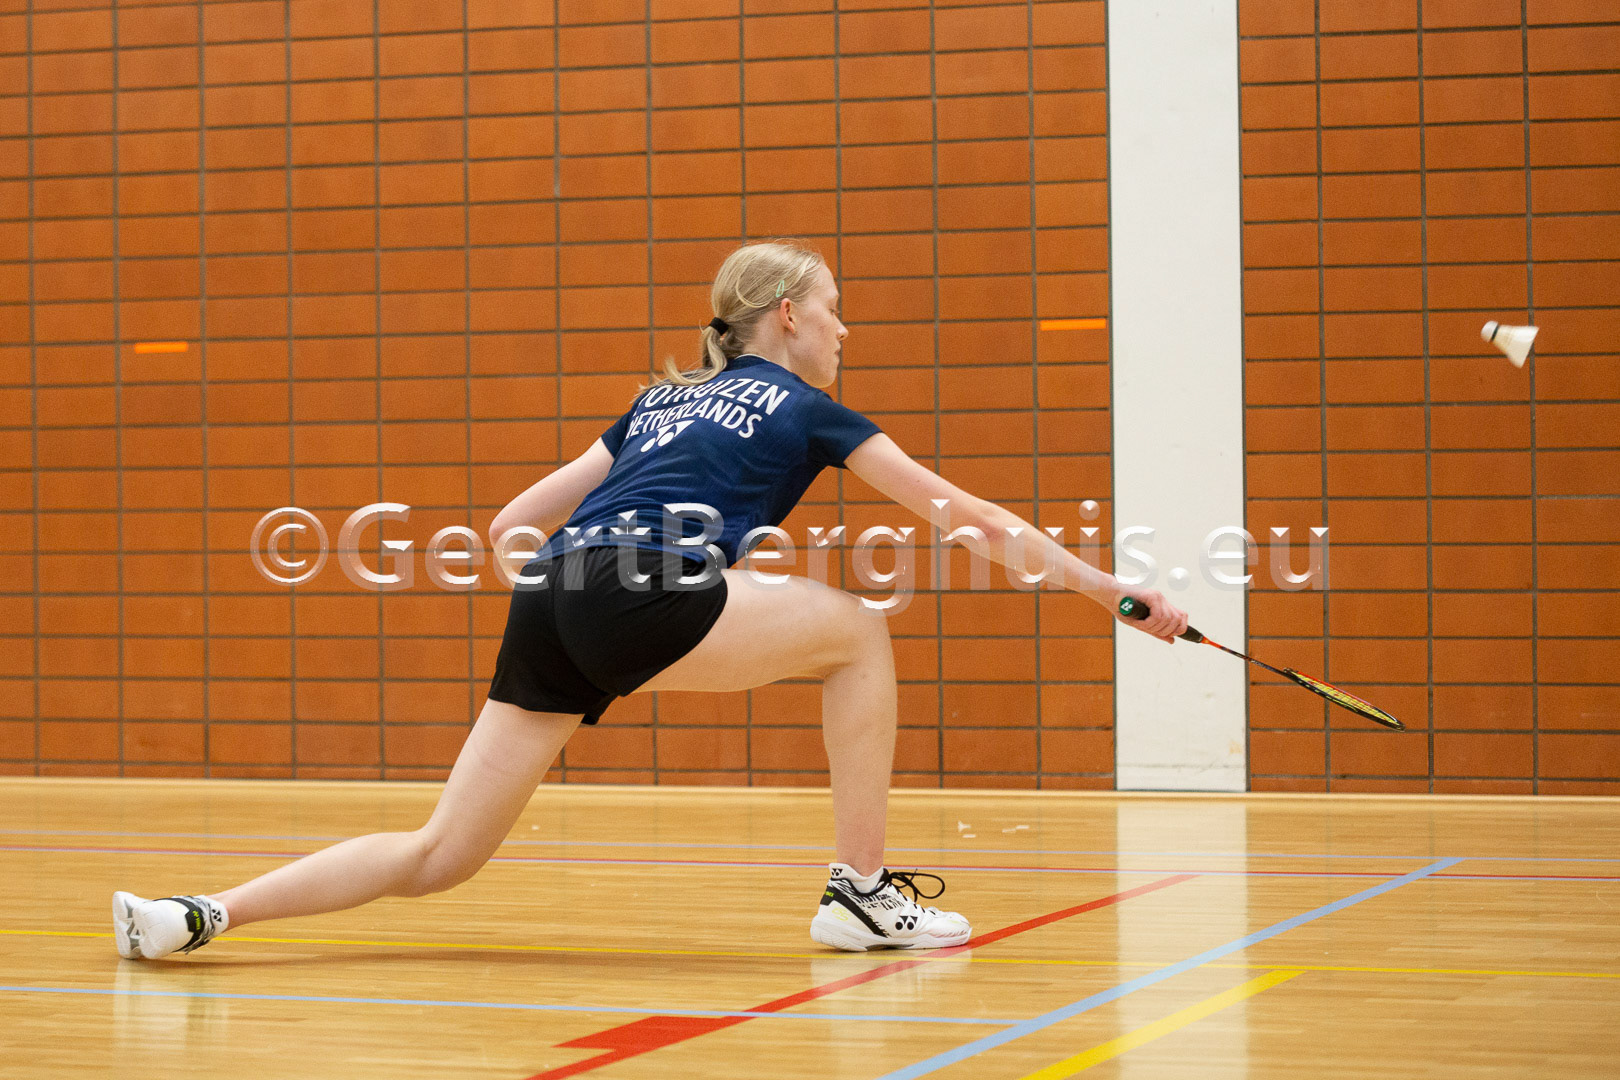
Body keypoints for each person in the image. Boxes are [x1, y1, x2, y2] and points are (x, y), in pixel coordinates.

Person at [112, 240, 1189, 961]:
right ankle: (861, 893)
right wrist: (1112, 594)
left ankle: (195, 915)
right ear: (787, 317)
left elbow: (512, 524)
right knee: (859, 634)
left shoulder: (659, 402)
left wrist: (580, 602)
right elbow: (973, 521)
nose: (844, 332)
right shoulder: (806, 408)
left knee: (443, 854)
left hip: (554, 591)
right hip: (641, 588)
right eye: (835, 311)